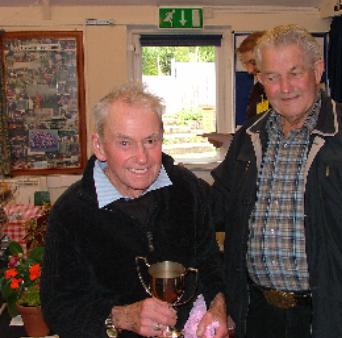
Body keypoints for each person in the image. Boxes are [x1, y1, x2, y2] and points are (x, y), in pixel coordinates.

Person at [210, 24, 342, 338]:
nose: (285, 87)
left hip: (334, 315)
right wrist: (158, 171)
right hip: (258, 315)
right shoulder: (249, 137)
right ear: (259, 79)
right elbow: (215, 208)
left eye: (294, 72)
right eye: (272, 77)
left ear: (317, 70)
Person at [41, 83, 229, 338]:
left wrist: (218, 307)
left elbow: (209, 261)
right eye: (125, 143)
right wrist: (122, 317)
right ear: (99, 146)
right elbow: (59, 308)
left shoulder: (186, 189)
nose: (142, 158)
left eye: (150, 141)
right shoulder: (72, 213)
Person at [236, 31, 269, 120]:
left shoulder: (286, 90)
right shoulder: (257, 90)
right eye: (245, 64)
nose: (250, 70)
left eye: (253, 62)